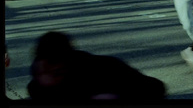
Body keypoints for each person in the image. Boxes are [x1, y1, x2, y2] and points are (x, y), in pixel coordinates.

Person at [27, 31, 166, 102]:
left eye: (56, 68)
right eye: (43, 70)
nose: (50, 73)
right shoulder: (37, 87)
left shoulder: (104, 68)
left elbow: (156, 88)